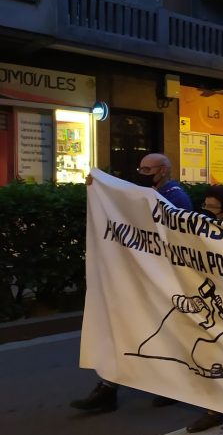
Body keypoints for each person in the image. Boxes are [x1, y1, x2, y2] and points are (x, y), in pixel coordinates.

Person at [70, 153, 192, 413]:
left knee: (161, 333)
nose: (143, 172)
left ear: (163, 170)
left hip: (161, 277)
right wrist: (99, 188)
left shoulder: (177, 197)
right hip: (140, 275)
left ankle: (170, 385)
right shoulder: (147, 192)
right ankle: (108, 387)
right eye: (141, 167)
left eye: (148, 168)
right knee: (125, 328)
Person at [187, 185, 223, 433]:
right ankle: (214, 410)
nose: (206, 212)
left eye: (212, 208)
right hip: (214, 305)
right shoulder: (200, 229)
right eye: (205, 206)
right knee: (212, 354)